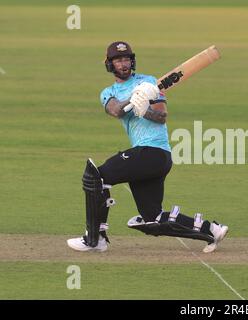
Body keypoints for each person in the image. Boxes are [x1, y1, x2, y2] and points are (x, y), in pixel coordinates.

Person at [67, 41, 228, 253]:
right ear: (110, 65)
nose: (123, 64)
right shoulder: (109, 92)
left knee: (97, 177)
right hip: (149, 159)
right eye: (118, 60)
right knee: (153, 218)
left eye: (126, 59)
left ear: (131, 61)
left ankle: (95, 239)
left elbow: (161, 117)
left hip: (153, 152)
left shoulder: (149, 82)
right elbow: (116, 110)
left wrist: (145, 111)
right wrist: (133, 102)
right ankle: (212, 229)